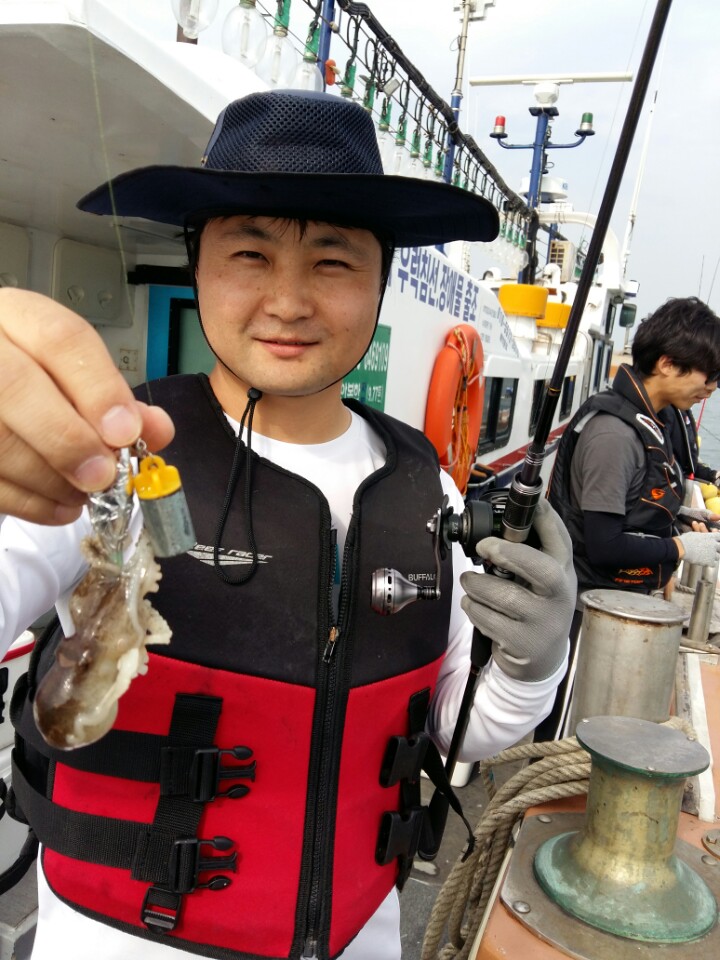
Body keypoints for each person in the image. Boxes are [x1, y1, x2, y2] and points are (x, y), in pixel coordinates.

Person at [0, 90, 575, 960]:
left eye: (334, 262)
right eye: (249, 253)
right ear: (197, 265)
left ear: (380, 281)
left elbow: (462, 725)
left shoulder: (426, 484)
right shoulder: (99, 457)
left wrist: (533, 665)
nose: (288, 301)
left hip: (362, 937)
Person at [548, 296, 720, 599]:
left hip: (621, 595)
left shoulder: (652, 420)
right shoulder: (615, 436)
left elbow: (629, 504)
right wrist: (681, 547)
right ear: (667, 364)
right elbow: (604, 546)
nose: (712, 388)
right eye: (710, 375)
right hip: (591, 604)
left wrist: (677, 515)